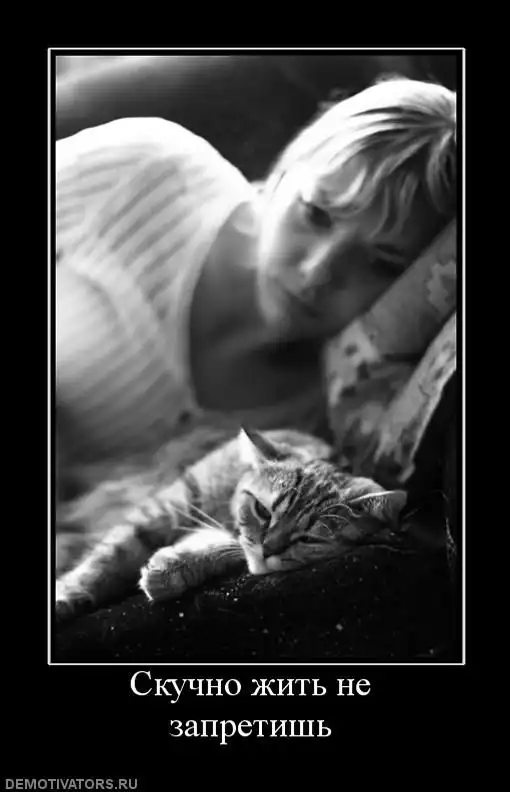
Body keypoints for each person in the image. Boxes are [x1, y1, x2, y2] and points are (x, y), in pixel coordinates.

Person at [56, 76, 456, 466]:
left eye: (380, 263)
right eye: (315, 214)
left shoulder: (328, 426)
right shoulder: (144, 170)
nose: (316, 272)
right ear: (284, 172)